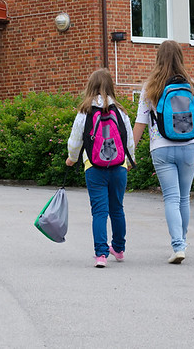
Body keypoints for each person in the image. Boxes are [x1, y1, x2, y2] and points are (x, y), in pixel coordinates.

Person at [133, 40, 194, 264]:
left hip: (161, 148)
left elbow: (140, 124)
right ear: (180, 58)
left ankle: (178, 246)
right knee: (184, 198)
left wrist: (129, 153)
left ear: (158, 58)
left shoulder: (151, 87)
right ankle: (181, 243)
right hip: (189, 147)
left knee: (171, 198)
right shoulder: (193, 86)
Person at [66, 68, 135, 268]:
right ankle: (119, 249)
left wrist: (71, 158)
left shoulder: (84, 112)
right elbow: (128, 141)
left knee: (99, 211)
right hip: (119, 166)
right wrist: (129, 162)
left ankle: (101, 255)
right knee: (117, 209)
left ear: (90, 87)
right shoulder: (120, 112)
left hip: (94, 167)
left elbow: (75, 141)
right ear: (111, 87)